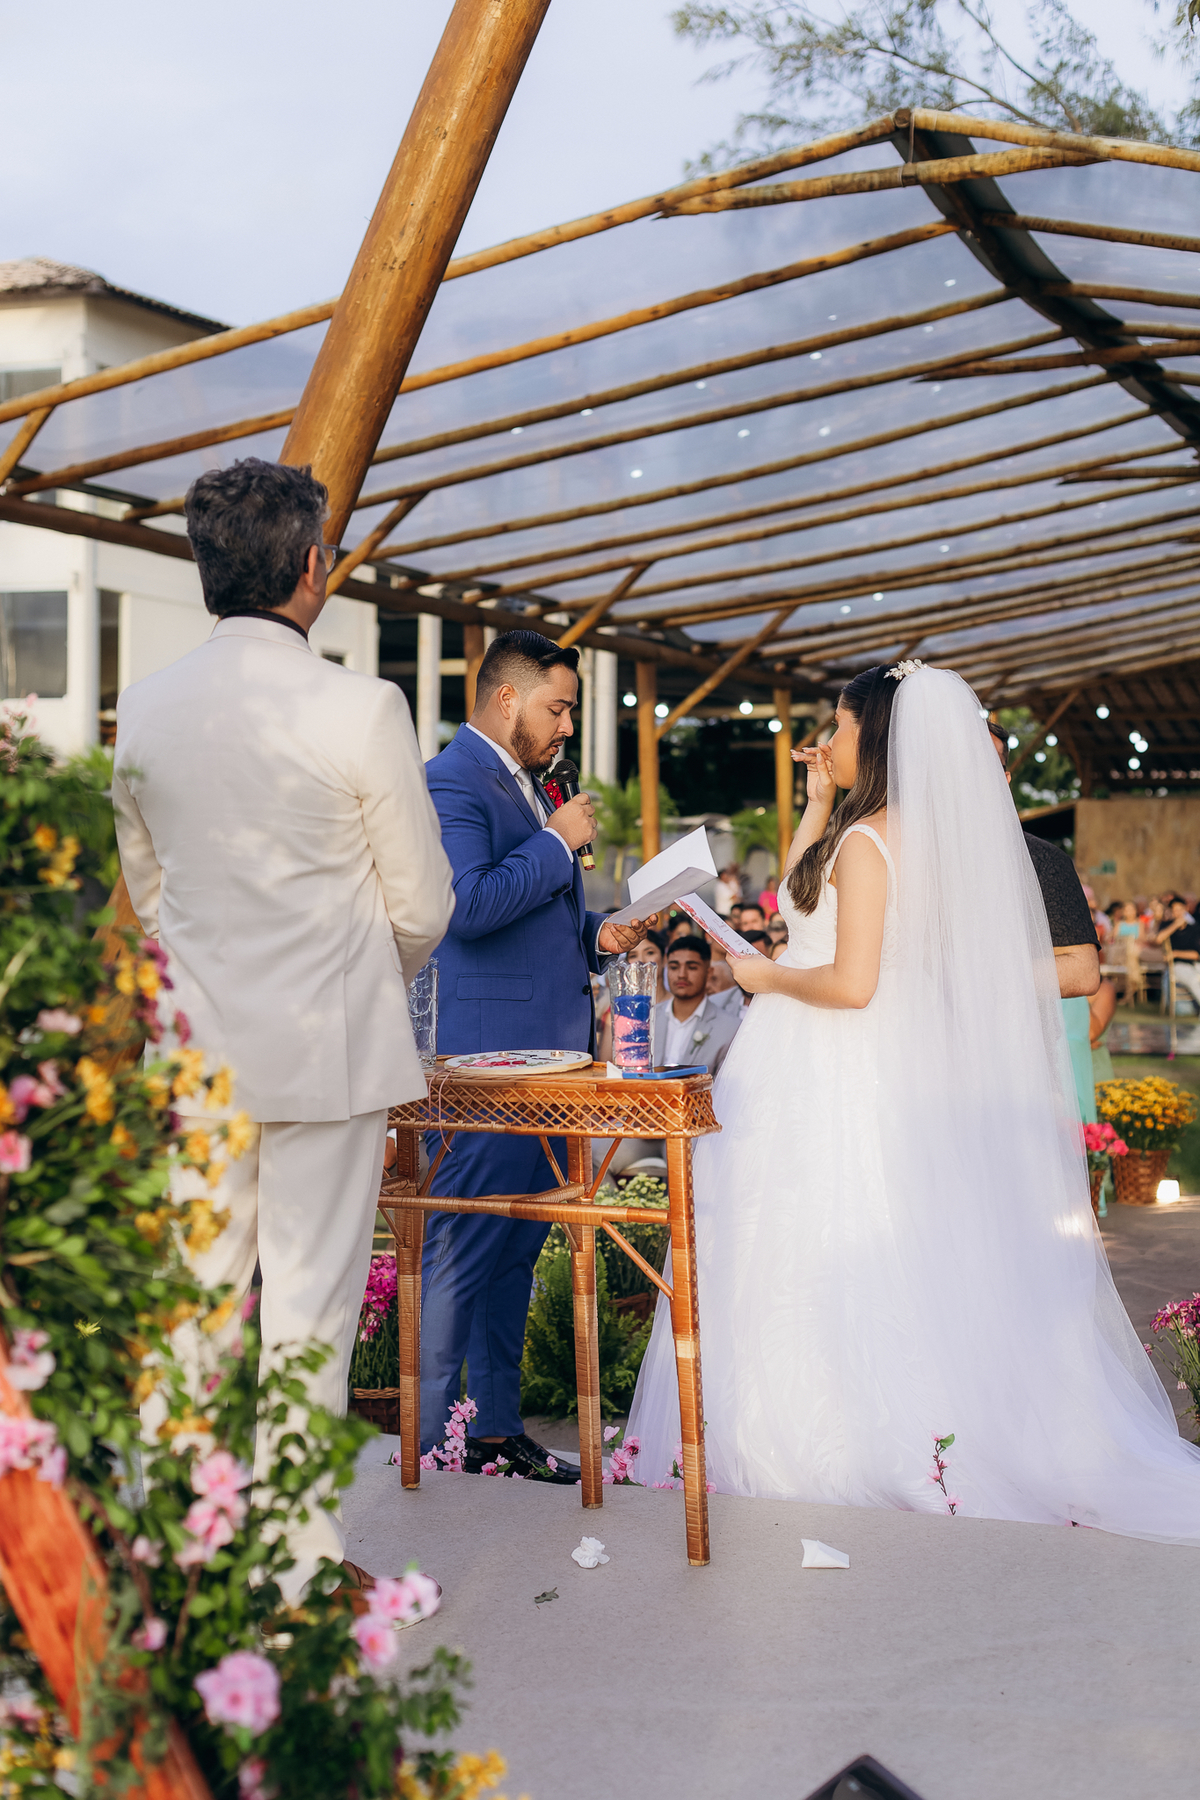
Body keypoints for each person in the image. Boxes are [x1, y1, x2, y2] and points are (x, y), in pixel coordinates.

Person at [628, 662, 1200, 1541]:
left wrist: (759, 974)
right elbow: (808, 905)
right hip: (863, 1064)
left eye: (844, 728)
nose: (832, 739)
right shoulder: (910, 841)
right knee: (865, 1241)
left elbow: (852, 981)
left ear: (878, 740)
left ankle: (831, 1435)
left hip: (826, 1061)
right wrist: (817, 802)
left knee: (809, 1241)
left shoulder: (871, 845)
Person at [113, 458, 455, 1602]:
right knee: (307, 1314)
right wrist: (358, 969)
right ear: (312, 569)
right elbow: (421, 906)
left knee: (194, 1305)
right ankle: (298, 1574)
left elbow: (150, 890)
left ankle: (177, 1554)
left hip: (199, 1051)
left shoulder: (147, 706)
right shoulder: (362, 706)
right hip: (331, 1049)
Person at [421, 631, 648, 1480]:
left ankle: (496, 1430)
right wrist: (554, 842)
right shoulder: (451, 780)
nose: (565, 728)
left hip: (544, 1061)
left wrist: (601, 933)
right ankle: (437, 1440)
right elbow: (467, 908)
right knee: (459, 1248)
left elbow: (537, 923)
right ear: (507, 699)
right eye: (557, 709)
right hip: (485, 1062)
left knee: (516, 1250)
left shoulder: (523, 783)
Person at [986, 723, 1099, 1120]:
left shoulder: (1043, 860)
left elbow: (1083, 973)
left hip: (1018, 1065)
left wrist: (978, 975)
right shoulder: (904, 853)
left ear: (1005, 777)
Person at [653, 936, 741, 1074]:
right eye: (674, 967)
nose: (682, 975)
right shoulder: (647, 1019)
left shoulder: (730, 1028)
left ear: (708, 973)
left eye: (692, 967)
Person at [1158, 894, 1200, 1014]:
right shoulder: (1167, 925)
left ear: (1186, 909)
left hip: (1193, 964)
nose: (1178, 913)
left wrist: (1175, 953)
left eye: (1180, 910)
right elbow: (1159, 939)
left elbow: (1197, 954)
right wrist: (1176, 925)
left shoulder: (1194, 928)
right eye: (1175, 910)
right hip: (1177, 966)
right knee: (1193, 980)